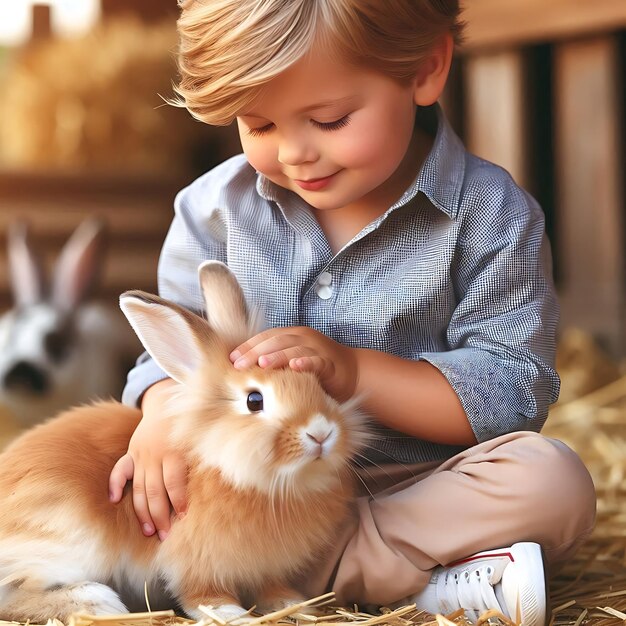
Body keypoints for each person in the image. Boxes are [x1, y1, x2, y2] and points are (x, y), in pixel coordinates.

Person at [108, 2, 597, 625]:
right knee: (152, 481)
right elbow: (171, 351)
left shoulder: (492, 217)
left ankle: (306, 573)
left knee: (552, 480)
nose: (294, 153)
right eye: (258, 126)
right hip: (266, 492)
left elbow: (509, 391)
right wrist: (157, 416)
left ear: (426, 67)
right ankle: (428, 581)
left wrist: (356, 374)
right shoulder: (212, 211)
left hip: (418, 483)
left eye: (329, 120)